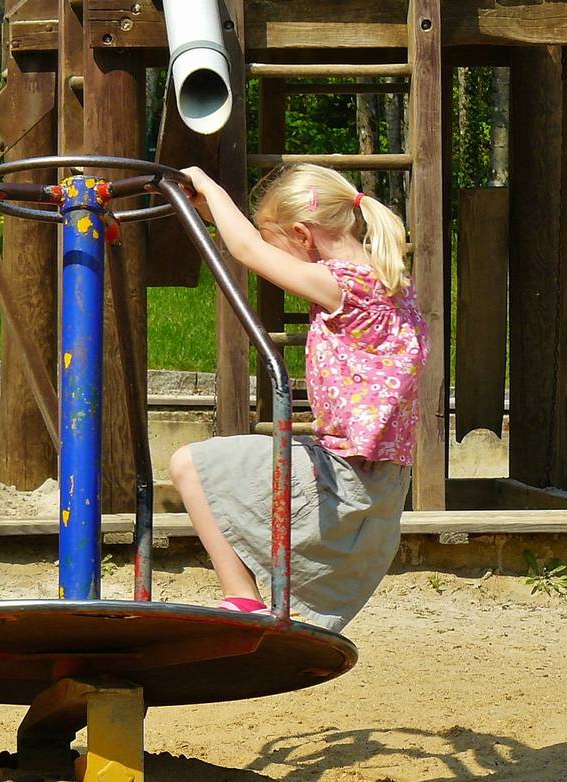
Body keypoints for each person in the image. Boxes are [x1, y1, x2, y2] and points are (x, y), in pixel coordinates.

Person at [169, 163, 428, 632]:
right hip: (383, 482)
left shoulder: (342, 286)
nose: (277, 262)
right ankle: (255, 604)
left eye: (279, 246)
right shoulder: (391, 285)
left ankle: (241, 599)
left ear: (302, 235)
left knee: (189, 465)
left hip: (344, 478)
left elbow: (245, 249)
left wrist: (210, 185)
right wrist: (212, 211)